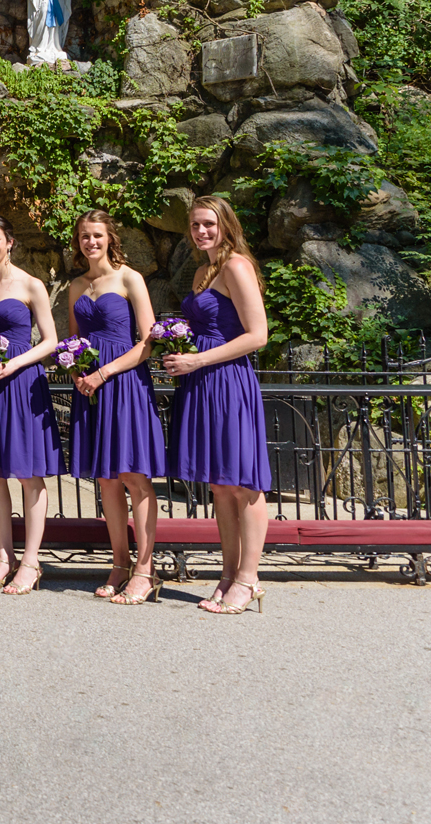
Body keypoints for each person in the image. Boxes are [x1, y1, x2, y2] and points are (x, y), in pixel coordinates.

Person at [160, 195, 271, 615]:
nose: (201, 231)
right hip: (201, 381)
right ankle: (227, 575)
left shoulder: (236, 266)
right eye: (195, 225)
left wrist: (198, 359)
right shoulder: (203, 271)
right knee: (219, 484)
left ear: (226, 225)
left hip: (227, 380)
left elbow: (257, 335)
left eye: (209, 224)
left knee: (243, 483)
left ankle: (249, 578)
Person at [64, 210, 166, 606]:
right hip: (89, 387)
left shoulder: (129, 278)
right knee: (106, 478)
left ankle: (145, 568)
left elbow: (148, 341)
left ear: (110, 239)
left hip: (123, 382)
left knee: (133, 475)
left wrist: (104, 372)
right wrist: (77, 372)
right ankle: (119, 564)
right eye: (84, 236)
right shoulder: (75, 286)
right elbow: (74, 341)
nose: (90, 242)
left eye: (97, 235)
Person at [0, 215, 62, 596]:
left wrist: (14, 363)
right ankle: (4, 557)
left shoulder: (31, 285)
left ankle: (31, 561)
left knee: (28, 473)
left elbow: (50, 340)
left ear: (10, 242)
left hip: (21, 382)